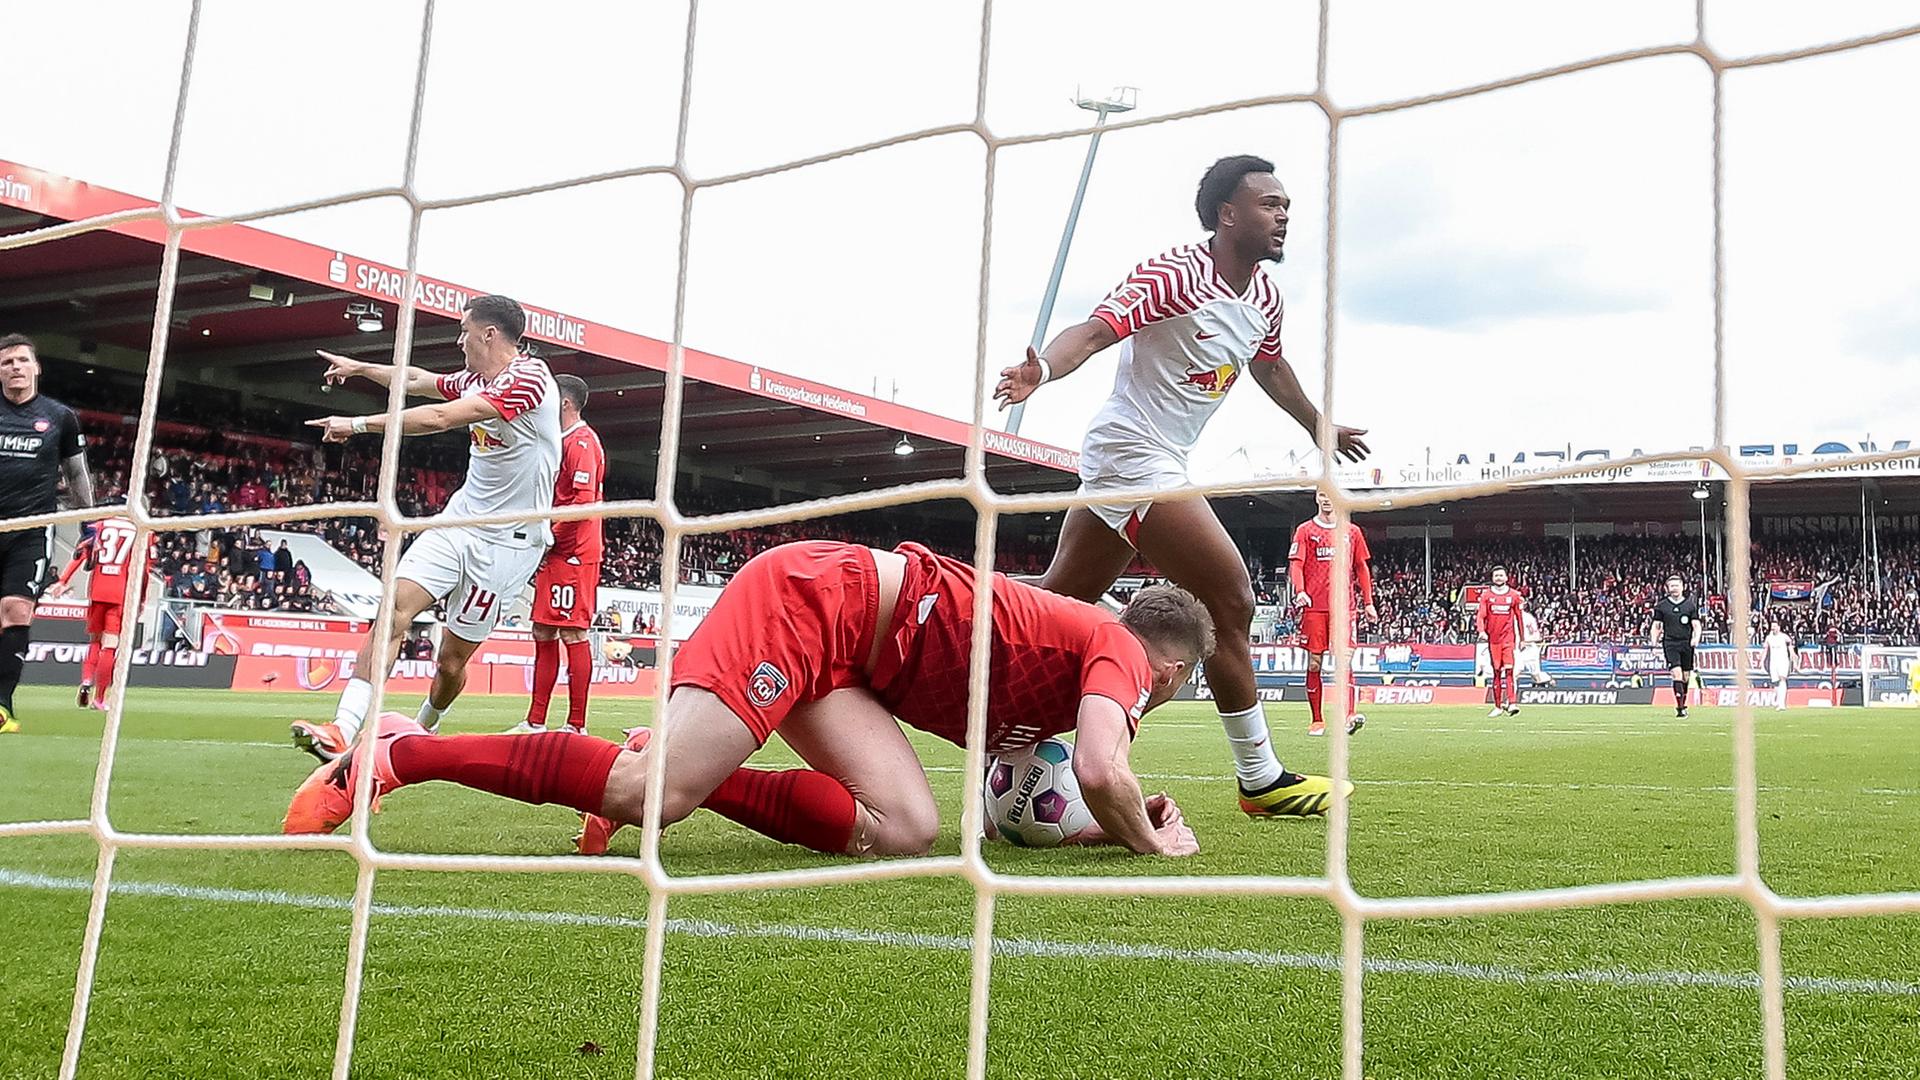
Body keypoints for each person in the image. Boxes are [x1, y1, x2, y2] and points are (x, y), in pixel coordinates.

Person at [283, 541, 1355, 855]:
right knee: (652, 798)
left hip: (854, 660)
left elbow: (1027, 793)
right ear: (1165, 671)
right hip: (819, 605)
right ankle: (390, 757)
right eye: (1162, 696)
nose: (1146, 705)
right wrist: (1148, 840)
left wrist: (1104, 820)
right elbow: (1108, 767)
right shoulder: (1117, 653)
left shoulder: (1080, 670)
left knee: (907, 828)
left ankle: (675, 755)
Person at [993, 156, 1370, 812]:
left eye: (1285, 206)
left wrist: (1319, 426)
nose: (1283, 216)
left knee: (1058, 602)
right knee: (1231, 598)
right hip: (1132, 454)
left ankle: (954, 611)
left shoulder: (1266, 299)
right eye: (1269, 205)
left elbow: (1271, 368)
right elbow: (1093, 330)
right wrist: (1043, 373)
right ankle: (1260, 777)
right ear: (1228, 215)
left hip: (1154, 461)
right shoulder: (1175, 275)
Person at [291, 295, 560, 761]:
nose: (459, 340)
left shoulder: (529, 380)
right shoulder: (479, 377)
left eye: (464, 331)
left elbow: (440, 417)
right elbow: (418, 380)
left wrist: (356, 424)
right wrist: (361, 368)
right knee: (393, 609)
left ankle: (423, 726)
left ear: (489, 334)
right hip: (458, 522)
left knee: (451, 662)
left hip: (509, 542)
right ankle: (342, 728)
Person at [0, 334, 93, 733]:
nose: (15, 367)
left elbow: (76, 473)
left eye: (22, 360)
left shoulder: (60, 417)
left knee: (15, 610)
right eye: (7, 362)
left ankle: (2, 705)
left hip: (31, 528)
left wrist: (90, 524)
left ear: (36, 367)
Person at [507, 374, 605, 735]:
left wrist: (549, 539)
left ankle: (575, 724)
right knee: (543, 630)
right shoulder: (558, 440)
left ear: (564, 403)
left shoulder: (582, 442)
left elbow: (580, 506)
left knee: (573, 634)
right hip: (554, 550)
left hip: (574, 552)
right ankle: (535, 721)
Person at [1288, 490, 1375, 736]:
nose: (1327, 499)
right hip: (1315, 607)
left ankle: (1350, 715)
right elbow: (1296, 564)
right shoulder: (1305, 531)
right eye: (1323, 494)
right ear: (1317, 498)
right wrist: (1300, 591)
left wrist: (1368, 602)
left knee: (1344, 660)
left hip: (1344, 608)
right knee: (1315, 663)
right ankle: (1317, 720)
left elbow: (1361, 567)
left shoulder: (1352, 532)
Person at [46, 510, 144, 710]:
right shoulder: (141, 530)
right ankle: (99, 698)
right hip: (120, 593)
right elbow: (144, 569)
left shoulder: (99, 526)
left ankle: (86, 680)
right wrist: (141, 599)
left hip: (98, 590)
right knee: (110, 644)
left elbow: (81, 553)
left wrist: (63, 580)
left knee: (95, 641)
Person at [1651, 575, 1703, 717]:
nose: (1674, 588)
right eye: (1671, 586)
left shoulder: (1689, 605)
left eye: (1677, 585)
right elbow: (1656, 625)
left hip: (1686, 644)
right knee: (1676, 674)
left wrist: (1696, 638)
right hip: (1670, 643)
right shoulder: (1661, 606)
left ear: (1682, 587)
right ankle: (1680, 708)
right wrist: (1654, 643)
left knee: (1686, 676)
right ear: (1667, 588)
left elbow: (1696, 625)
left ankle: (1682, 702)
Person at [1476, 566, 1525, 717]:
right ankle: (1497, 706)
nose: (1498, 578)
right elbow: (1481, 615)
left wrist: (1522, 639)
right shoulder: (1486, 595)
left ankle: (1512, 703)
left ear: (1506, 577)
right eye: (1496, 575)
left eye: (1501, 575)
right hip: (1493, 640)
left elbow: (1519, 618)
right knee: (1497, 672)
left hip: (1508, 639)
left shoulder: (1514, 595)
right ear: (1493, 578)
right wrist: (1481, 631)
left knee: (1509, 671)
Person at [1517, 605, 1554, 689]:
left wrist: (1525, 642)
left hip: (1529, 650)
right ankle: (1510, 699)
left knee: (1536, 676)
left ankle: (1548, 679)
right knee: (1515, 672)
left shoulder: (1528, 618)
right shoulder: (1509, 617)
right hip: (1517, 650)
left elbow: (1537, 637)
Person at [1763, 619, 1794, 711]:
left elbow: (1790, 643)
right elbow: (1765, 650)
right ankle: (1779, 702)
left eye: (1775, 626)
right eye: (1772, 626)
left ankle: (1782, 704)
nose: (1773, 628)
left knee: (1782, 679)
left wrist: (1792, 653)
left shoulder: (1784, 637)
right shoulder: (1769, 638)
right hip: (1773, 661)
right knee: (1775, 682)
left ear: (1779, 627)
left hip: (1783, 660)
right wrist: (1762, 662)